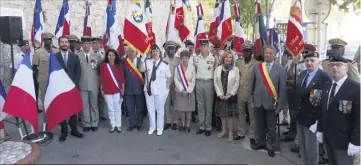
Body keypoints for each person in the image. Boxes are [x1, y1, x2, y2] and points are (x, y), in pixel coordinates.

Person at [316, 55, 360, 165]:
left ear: (346, 68)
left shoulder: (356, 88)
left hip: (344, 142)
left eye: (339, 65)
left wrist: (356, 142)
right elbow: (322, 110)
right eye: (331, 65)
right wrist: (320, 129)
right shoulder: (327, 85)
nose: (334, 67)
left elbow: (359, 118)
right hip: (328, 138)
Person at [249, 46, 287, 157]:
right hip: (258, 102)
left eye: (271, 53)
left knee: (271, 126)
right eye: (266, 53)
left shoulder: (280, 69)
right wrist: (251, 100)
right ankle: (261, 142)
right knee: (259, 125)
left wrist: (280, 106)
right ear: (264, 54)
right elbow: (252, 85)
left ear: (274, 55)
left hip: (272, 103)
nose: (268, 55)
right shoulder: (257, 67)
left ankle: (270, 145)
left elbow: (283, 89)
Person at [294, 51, 331, 164]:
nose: (309, 63)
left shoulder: (325, 77)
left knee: (311, 148)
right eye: (307, 61)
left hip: (313, 119)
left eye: (312, 60)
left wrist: (320, 120)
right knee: (302, 146)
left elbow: (326, 101)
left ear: (319, 62)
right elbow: (298, 94)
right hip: (300, 116)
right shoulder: (303, 74)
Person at [55, 36, 83, 142]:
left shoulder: (74, 57)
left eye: (66, 42)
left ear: (69, 44)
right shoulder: (54, 57)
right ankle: (64, 131)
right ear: (59, 44)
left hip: (72, 88)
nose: (64, 44)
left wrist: (73, 84)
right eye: (62, 42)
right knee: (62, 110)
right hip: (60, 88)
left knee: (73, 110)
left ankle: (74, 129)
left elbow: (78, 72)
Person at [142, 44, 171, 136]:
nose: (155, 53)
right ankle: (152, 127)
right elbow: (141, 69)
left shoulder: (164, 64)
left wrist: (167, 88)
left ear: (160, 53)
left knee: (160, 110)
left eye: (156, 51)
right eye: (153, 51)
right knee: (150, 109)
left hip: (160, 90)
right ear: (151, 53)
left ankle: (159, 128)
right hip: (149, 89)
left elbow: (169, 77)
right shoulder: (146, 63)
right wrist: (143, 57)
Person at [235, 43, 259, 145]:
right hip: (240, 92)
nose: (246, 53)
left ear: (252, 52)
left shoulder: (257, 64)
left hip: (251, 93)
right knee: (240, 114)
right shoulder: (238, 63)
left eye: (248, 51)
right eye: (245, 51)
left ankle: (252, 134)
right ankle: (241, 133)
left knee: (252, 115)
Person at [214, 51, 239, 142]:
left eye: (230, 57)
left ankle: (231, 132)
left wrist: (230, 94)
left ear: (232, 59)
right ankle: (224, 130)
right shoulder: (218, 69)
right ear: (223, 58)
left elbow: (237, 83)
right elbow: (215, 82)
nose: (228, 59)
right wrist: (219, 94)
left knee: (230, 115)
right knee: (222, 114)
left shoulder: (235, 69)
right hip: (221, 95)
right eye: (226, 57)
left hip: (230, 96)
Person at [77, 36, 101, 132]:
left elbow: (100, 68)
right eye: (84, 43)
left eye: (88, 43)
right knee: (84, 105)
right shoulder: (77, 56)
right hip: (82, 84)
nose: (86, 45)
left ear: (91, 44)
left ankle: (94, 122)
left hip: (94, 84)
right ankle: (86, 123)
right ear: (82, 45)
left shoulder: (97, 56)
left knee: (94, 105)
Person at [194, 39, 216, 137]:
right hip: (199, 82)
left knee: (208, 106)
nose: (203, 48)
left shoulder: (213, 58)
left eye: (205, 46)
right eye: (201, 46)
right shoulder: (196, 58)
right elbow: (195, 70)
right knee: (200, 106)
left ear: (208, 47)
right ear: (199, 47)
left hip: (208, 83)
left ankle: (208, 127)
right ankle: (202, 126)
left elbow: (215, 72)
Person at [100, 49, 125, 133]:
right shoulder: (103, 66)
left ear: (115, 56)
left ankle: (118, 125)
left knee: (117, 108)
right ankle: (112, 125)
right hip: (107, 90)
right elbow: (102, 79)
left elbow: (122, 79)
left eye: (113, 55)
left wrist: (123, 90)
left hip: (117, 90)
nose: (111, 57)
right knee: (110, 109)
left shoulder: (119, 65)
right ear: (107, 56)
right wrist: (101, 89)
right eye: (109, 55)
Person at [123, 47, 146, 132]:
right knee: (130, 108)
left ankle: (139, 123)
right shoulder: (124, 62)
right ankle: (132, 124)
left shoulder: (141, 61)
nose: (131, 53)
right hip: (128, 89)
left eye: (132, 51)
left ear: (136, 52)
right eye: (129, 51)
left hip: (139, 88)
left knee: (140, 108)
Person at [174, 50, 196, 133]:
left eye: (186, 58)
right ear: (180, 58)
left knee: (188, 110)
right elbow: (175, 79)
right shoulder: (177, 67)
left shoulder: (192, 67)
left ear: (188, 58)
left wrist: (189, 90)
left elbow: (193, 80)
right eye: (183, 58)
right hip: (180, 92)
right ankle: (182, 125)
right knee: (181, 110)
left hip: (189, 91)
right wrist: (181, 90)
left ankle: (188, 126)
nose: (184, 59)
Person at [163, 41, 181, 131]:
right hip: (166, 85)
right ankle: (168, 121)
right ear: (166, 50)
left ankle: (175, 122)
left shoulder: (178, 60)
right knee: (167, 104)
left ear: (175, 50)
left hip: (176, 85)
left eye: (172, 48)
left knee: (176, 104)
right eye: (169, 48)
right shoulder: (162, 60)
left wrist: (175, 83)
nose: (171, 50)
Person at [184, 40, 199, 123]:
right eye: (188, 47)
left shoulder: (196, 57)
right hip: (185, 80)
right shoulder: (183, 57)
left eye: (191, 47)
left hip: (194, 80)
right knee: (185, 98)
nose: (190, 48)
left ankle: (194, 115)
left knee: (194, 99)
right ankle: (186, 115)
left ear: (193, 48)